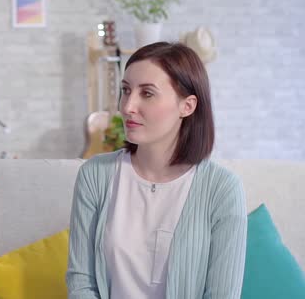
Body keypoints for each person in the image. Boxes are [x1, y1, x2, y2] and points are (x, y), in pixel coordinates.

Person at [66, 42, 247, 299]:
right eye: (126, 91)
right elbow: (81, 281)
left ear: (188, 105)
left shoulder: (222, 189)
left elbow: (222, 294)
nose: (128, 106)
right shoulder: (95, 175)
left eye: (147, 93)